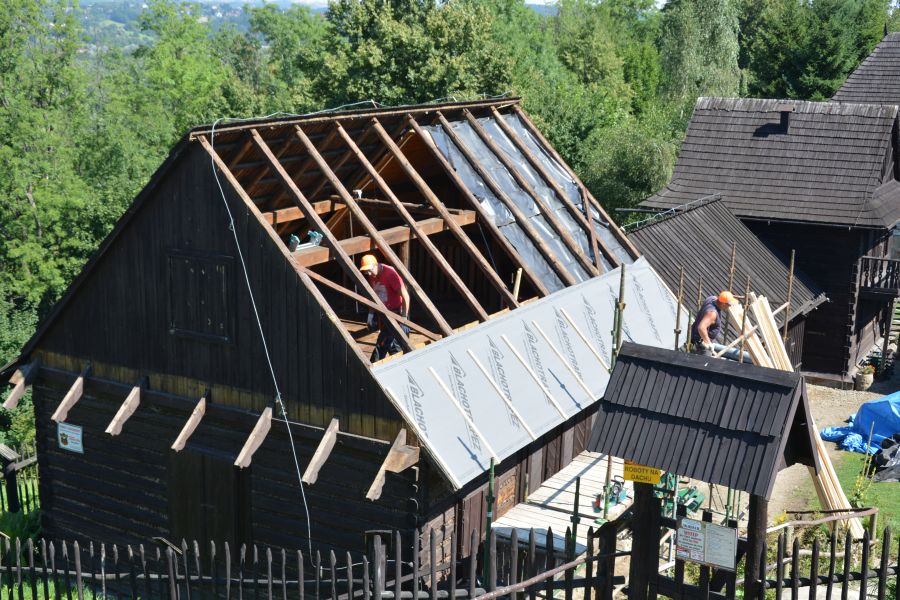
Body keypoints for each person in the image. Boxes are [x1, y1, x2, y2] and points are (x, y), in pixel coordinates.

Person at [359, 254, 411, 361]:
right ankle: (398, 366)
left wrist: (404, 318)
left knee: (383, 344)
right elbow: (374, 296)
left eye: (369, 270)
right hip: (384, 313)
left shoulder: (390, 274)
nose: (368, 273)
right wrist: (370, 315)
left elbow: (405, 296)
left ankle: (373, 366)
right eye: (365, 271)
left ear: (375, 265)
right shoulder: (372, 275)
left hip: (397, 313)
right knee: (394, 347)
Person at [690, 290, 750, 362]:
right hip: (702, 345)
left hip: (696, 338)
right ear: (723, 304)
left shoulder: (711, 299)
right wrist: (708, 343)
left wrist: (734, 297)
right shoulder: (712, 313)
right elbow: (701, 327)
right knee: (703, 365)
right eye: (729, 304)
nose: (730, 306)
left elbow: (721, 298)